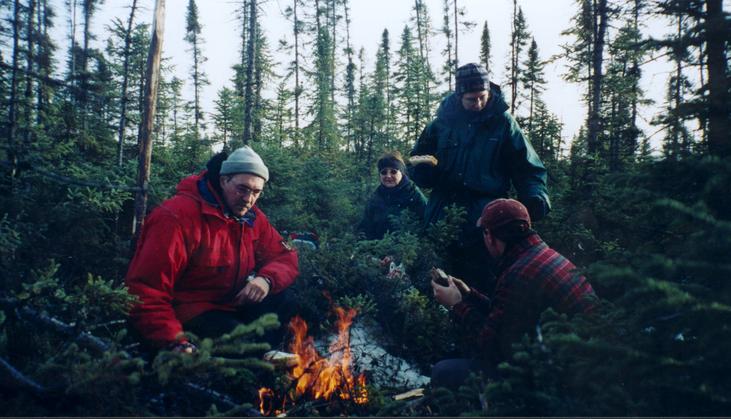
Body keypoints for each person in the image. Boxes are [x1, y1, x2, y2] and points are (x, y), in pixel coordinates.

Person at [125, 146, 299, 353]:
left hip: (230, 304)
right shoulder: (177, 217)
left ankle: (278, 363)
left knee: (291, 305)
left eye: (256, 192)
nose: (248, 199)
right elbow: (145, 290)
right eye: (242, 188)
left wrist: (266, 280)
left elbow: (285, 257)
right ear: (224, 180)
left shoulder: (250, 217)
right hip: (189, 312)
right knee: (246, 349)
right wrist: (173, 340)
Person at [409, 62, 550, 293]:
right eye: (471, 99)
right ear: (459, 95)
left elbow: (528, 168)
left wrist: (536, 196)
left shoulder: (504, 123)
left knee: (483, 284)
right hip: (442, 212)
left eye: (482, 97)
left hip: (486, 217)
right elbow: (417, 159)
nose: (478, 104)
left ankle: (480, 325)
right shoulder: (441, 123)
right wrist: (422, 172)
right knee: (437, 276)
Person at [430, 199, 597, 389]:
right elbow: (505, 316)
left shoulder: (520, 274)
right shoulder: (540, 255)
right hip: (581, 366)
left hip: (558, 381)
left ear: (489, 235)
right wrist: (469, 295)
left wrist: (456, 305)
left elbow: (493, 348)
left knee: (443, 372)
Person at [358, 151, 427, 240]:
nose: (388, 176)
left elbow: (426, 226)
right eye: (384, 172)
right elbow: (364, 227)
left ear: (401, 173)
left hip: (408, 249)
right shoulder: (375, 197)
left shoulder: (413, 194)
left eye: (393, 172)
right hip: (378, 249)